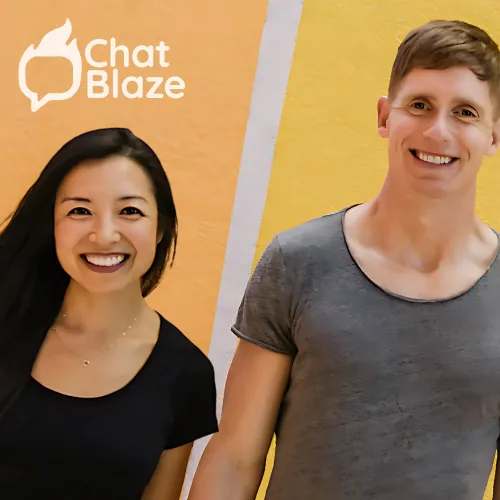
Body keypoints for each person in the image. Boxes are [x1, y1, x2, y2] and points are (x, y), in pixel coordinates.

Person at [189, 19, 500, 500]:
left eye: (465, 112)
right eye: (420, 105)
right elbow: (234, 459)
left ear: (494, 134)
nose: (438, 130)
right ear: (385, 116)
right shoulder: (297, 262)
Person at [0, 127, 218, 499]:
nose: (104, 235)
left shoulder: (185, 373)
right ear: (52, 224)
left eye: (130, 211)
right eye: (80, 211)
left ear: (161, 227)